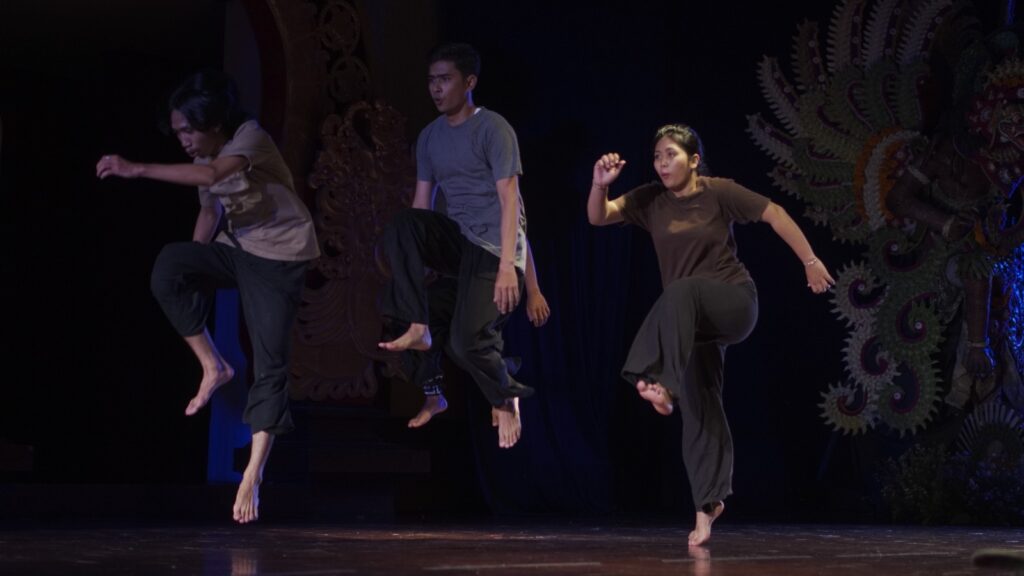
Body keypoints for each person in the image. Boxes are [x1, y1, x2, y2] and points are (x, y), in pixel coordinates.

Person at [587, 124, 834, 546]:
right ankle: (707, 506)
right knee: (701, 406)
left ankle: (659, 381)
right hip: (689, 324)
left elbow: (774, 213)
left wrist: (810, 261)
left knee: (680, 290)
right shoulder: (651, 199)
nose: (662, 163)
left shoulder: (718, 191)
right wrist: (599, 184)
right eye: (657, 156)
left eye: (671, 155)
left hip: (733, 303)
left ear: (694, 160)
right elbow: (599, 216)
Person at [95, 70, 319, 523]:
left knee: (270, 364)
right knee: (170, 267)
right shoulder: (205, 153)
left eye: (187, 131)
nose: (183, 140)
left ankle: (253, 473)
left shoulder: (250, 138)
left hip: (280, 258)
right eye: (177, 132)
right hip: (238, 249)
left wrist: (136, 169)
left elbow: (213, 175)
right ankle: (213, 366)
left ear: (214, 123)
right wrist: (197, 264)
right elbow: (210, 206)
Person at [377, 42, 533, 448]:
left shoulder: (493, 129)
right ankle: (432, 385)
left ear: (469, 82)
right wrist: (414, 259)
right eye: (431, 80)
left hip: (493, 249)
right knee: (398, 291)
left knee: (465, 344)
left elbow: (510, 200)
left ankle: (505, 394)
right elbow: (421, 206)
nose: (436, 88)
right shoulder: (429, 137)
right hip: (458, 245)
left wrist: (507, 266)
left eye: (445, 80)